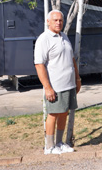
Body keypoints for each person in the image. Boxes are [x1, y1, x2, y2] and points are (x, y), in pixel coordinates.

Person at [34, 9, 81, 155]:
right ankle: (49, 146)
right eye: (55, 20)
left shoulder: (64, 36)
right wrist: (47, 87)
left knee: (64, 112)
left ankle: (60, 143)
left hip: (69, 84)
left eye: (60, 20)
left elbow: (72, 59)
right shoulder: (44, 39)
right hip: (55, 85)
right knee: (53, 114)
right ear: (48, 22)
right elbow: (39, 64)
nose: (58, 22)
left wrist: (77, 78)